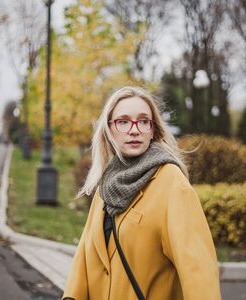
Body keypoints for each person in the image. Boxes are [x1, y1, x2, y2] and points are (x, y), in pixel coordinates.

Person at [62, 86, 221, 300]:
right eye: (124, 121)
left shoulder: (172, 184)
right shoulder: (107, 182)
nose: (134, 129)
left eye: (144, 121)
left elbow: (198, 271)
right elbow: (84, 255)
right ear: (109, 129)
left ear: (153, 129)